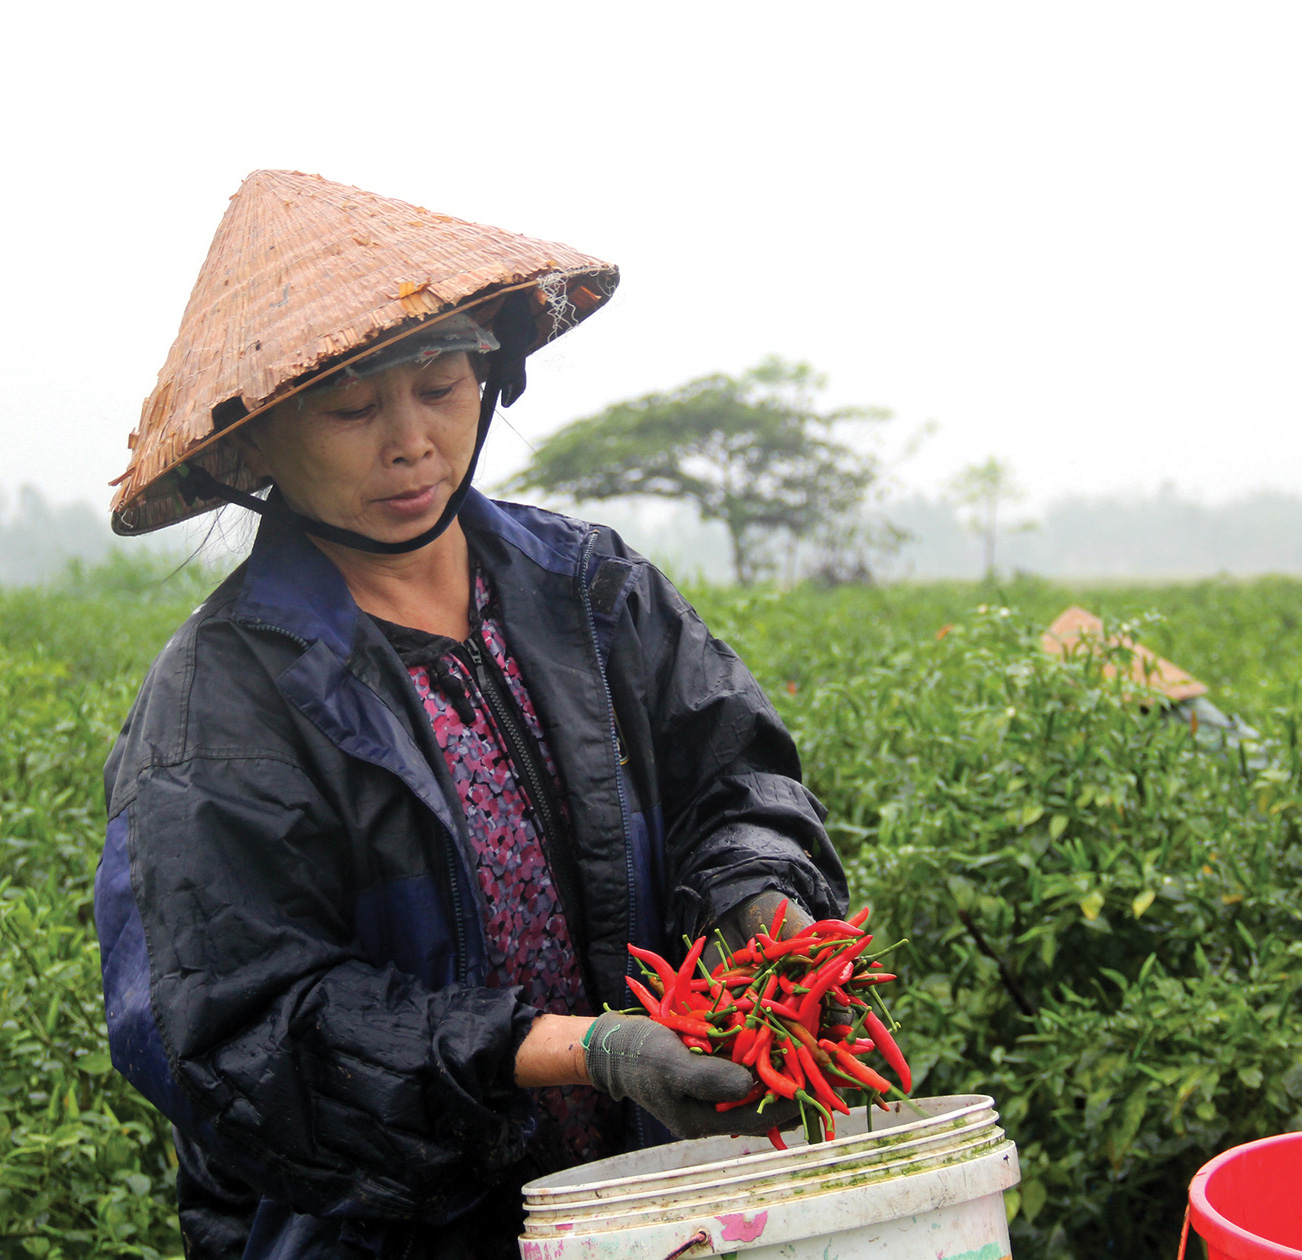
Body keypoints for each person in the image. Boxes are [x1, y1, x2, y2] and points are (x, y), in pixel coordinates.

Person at [95, 170, 847, 1260]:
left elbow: (735, 782)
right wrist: (581, 1053)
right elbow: (234, 1033)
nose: (410, 444)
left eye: (443, 388)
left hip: (652, 1203)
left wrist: (761, 900)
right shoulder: (218, 706)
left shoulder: (593, 592)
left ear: (490, 381)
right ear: (256, 446)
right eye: (353, 410)